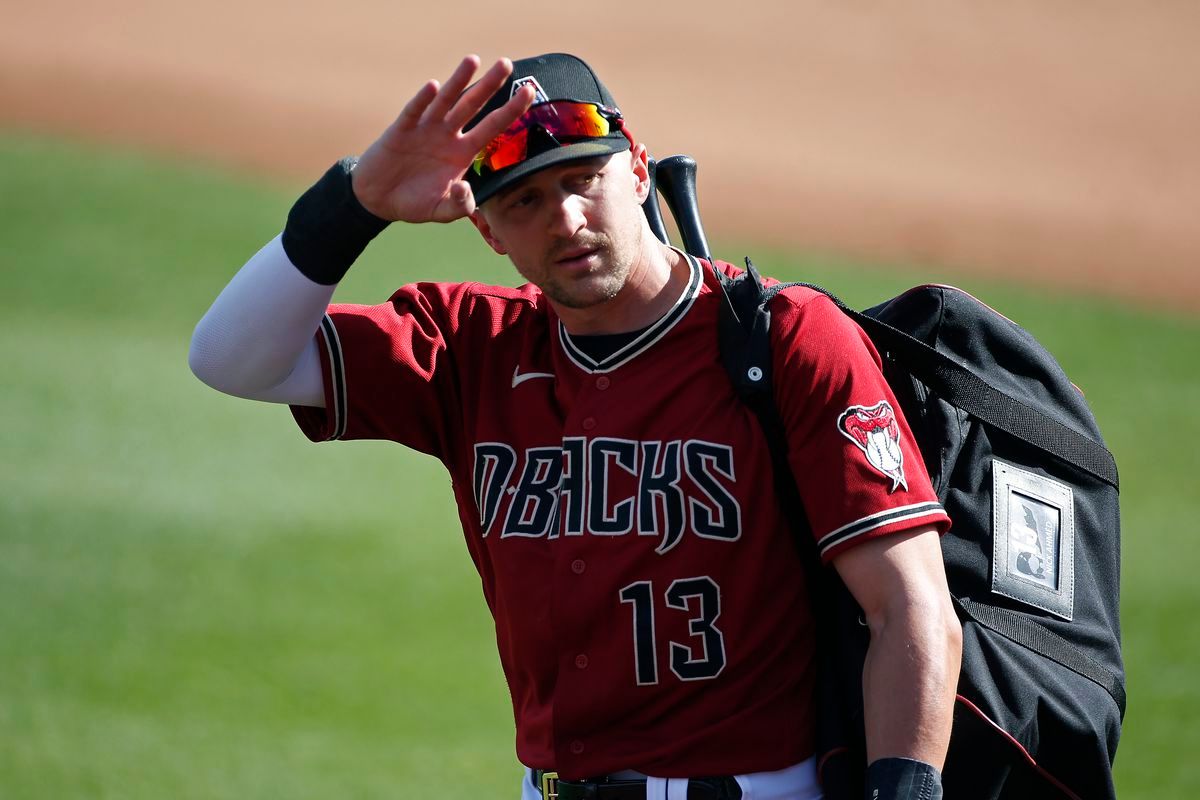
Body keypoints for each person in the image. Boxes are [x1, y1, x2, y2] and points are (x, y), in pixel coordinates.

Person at [189, 52, 962, 800]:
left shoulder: (783, 337)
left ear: (635, 169)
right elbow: (231, 360)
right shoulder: (469, 347)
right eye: (524, 200)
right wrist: (352, 204)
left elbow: (909, 607)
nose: (564, 219)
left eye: (583, 179)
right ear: (489, 231)